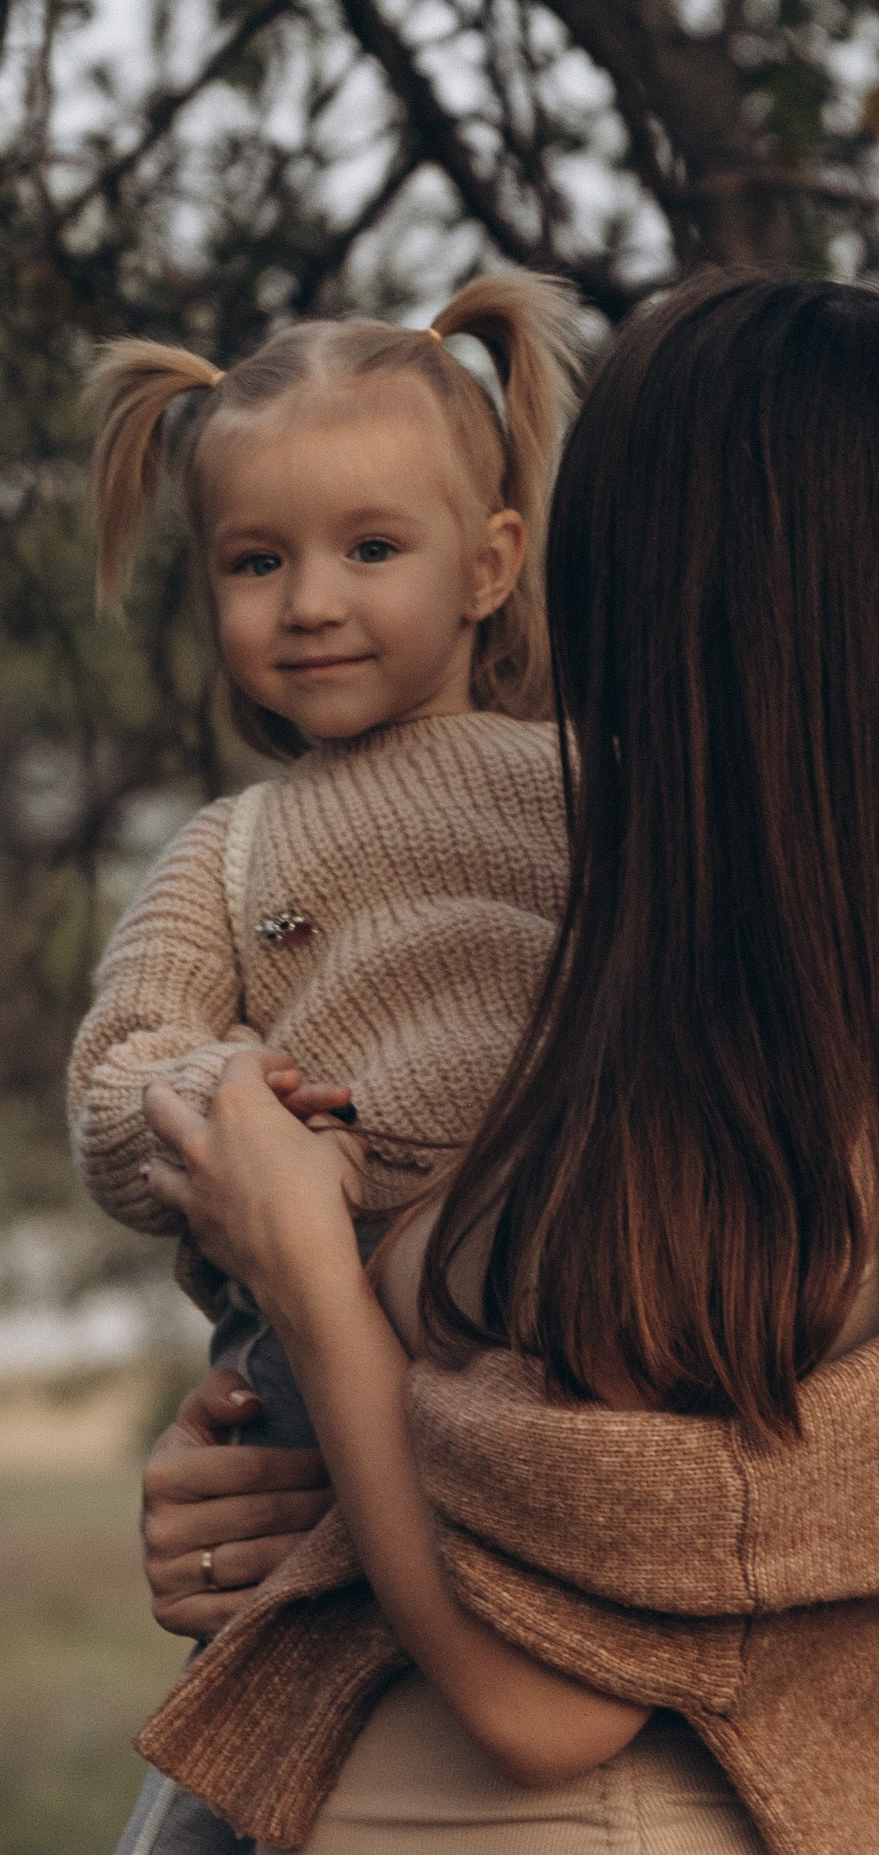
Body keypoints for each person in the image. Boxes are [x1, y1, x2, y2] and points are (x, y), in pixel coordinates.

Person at [129, 271, 879, 1855]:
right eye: (258, 560)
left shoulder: (752, 1088)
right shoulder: (657, 984)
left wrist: (312, 1275)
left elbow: (553, 1695)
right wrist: (290, 1488)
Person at [68, 273, 583, 1854]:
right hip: (302, 1337)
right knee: (265, 1693)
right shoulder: (230, 851)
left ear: (491, 562)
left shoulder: (594, 791)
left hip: (538, 1319)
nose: (310, 599)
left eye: (371, 549)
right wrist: (222, 1092)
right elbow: (115, 1073)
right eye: (256, 561)